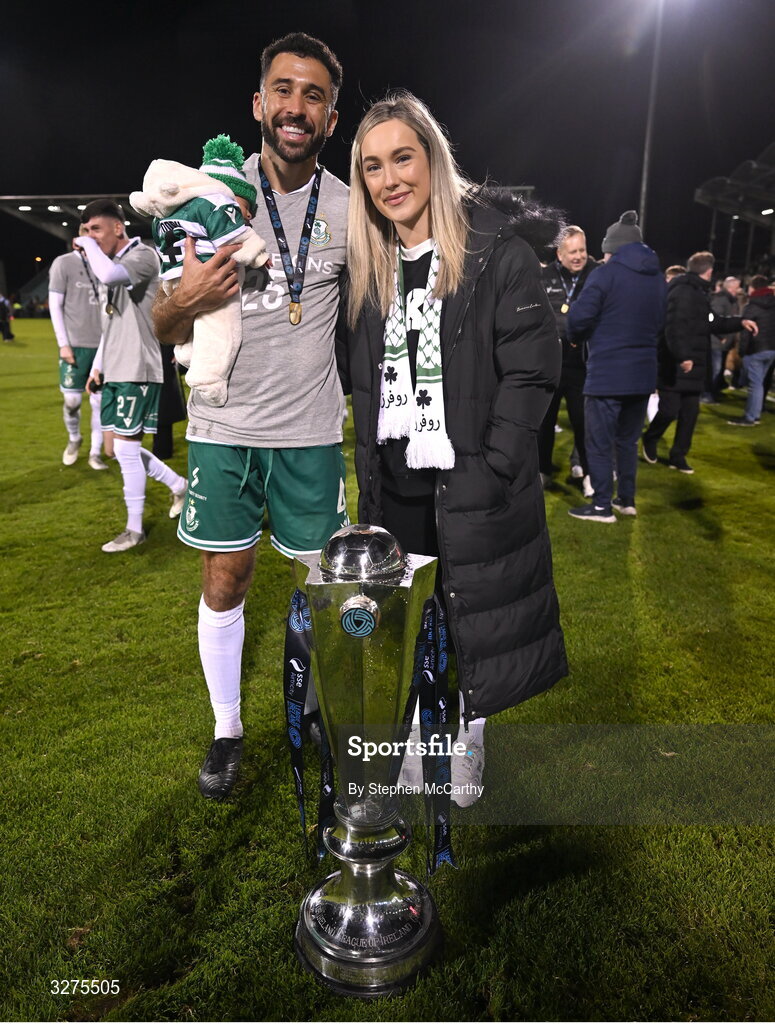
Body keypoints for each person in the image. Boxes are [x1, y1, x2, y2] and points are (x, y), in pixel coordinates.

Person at [341, 90, 568, 806]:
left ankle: (466, 737)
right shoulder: (369, 268)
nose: (389, 179)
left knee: (468, 623)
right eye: (372, 167)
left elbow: (532, 370)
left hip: (470, 487)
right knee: (413, 625)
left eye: (401, 157)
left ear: (432, 159)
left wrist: (498, 464)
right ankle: (414, 731)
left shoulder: (497, 253)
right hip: (397, 490)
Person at [152, 33, 349, 800]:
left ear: (330, 117)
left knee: (328, 589)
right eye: (284, 90)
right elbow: (161, 321)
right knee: (225, 579)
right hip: (223, 428)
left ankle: (330, 717)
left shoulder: (346, 204)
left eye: (314, 95)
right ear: (258, 105)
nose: (296, 106)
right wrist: (187, 300)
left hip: (308, 433)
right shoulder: (206, 192)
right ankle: (227, 729)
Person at [75, 200, 187, 552]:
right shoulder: (118, 262)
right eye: (86, 231)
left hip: (138, 366)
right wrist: (97, 367)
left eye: (95, 229)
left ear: (118, 228)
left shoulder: (142, 256)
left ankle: (134, 530)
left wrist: (88, 247)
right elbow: (112, 321)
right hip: (116, 367)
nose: (88, 237)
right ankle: (179, 485)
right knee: (114, 448)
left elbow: (107, 276)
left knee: (125, 450)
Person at [130, 134, 270, 407]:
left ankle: (187, 352)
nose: (250, 215)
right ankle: (208, 377)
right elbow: (239, 243)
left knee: (203, 324)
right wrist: (258, 254)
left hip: (173, 273)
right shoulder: (217, 203)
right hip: (213, 428)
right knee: (221, 324)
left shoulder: (169, 216)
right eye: (245, 206)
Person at [566, 210, 666, 520]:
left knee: (598, 443)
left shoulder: (606, 274)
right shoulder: (658, 277)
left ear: (613, 248)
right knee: (627, 441)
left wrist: (576, 334)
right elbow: (661, 323)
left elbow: (578, 318)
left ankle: (601, 506)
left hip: (608, 373)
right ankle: (627, 500)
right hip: (642, 374)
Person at [642, 252, 757, 472]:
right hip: (676, 363)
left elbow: (714, 321)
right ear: (709, 271)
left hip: (693, 365)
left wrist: (741, 322)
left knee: (690, 414)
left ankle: (678, 456)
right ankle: (650, 438)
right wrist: (682, 356)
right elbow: (674, 327)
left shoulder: (698, 293)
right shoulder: (683, 292)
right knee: (669, 410)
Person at [538, 225, 597, 495]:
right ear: (559, 254)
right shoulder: (544, 275)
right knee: (544, 422)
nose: (578, 256)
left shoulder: (597, 274)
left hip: (584, 363)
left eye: (582, 250)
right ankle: (542, 470)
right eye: (572, 251)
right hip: (550, 362)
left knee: (584, 423)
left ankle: (587, 471)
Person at [48, 230, 108, 471]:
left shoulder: (106, 264)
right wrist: (63, 344)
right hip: (75, 346)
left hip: (103, 346)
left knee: (98, 403)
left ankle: (95, 453)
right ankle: (74, 439)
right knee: (72, 401)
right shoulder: (63, 263)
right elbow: (55, 305)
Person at [727, 275, 775, 426]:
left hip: (755, 349)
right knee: (759, 383)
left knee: (755, 384)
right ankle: (755, 415)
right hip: (771, 349)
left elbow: (745, 331)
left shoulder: (752, 305)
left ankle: (750, 417)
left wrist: (741, 351)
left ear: (753, 288)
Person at [706, 275, 742, 402]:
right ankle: (706, 394)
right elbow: (711, 319)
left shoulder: (732, 300)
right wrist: (721, 336)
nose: (740, 289)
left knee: (718, 369)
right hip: (716, 341)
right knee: (714, 370)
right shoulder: (720, 300)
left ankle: (714, 392)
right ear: (731, 288)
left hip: (725, 342)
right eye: (738, 287)